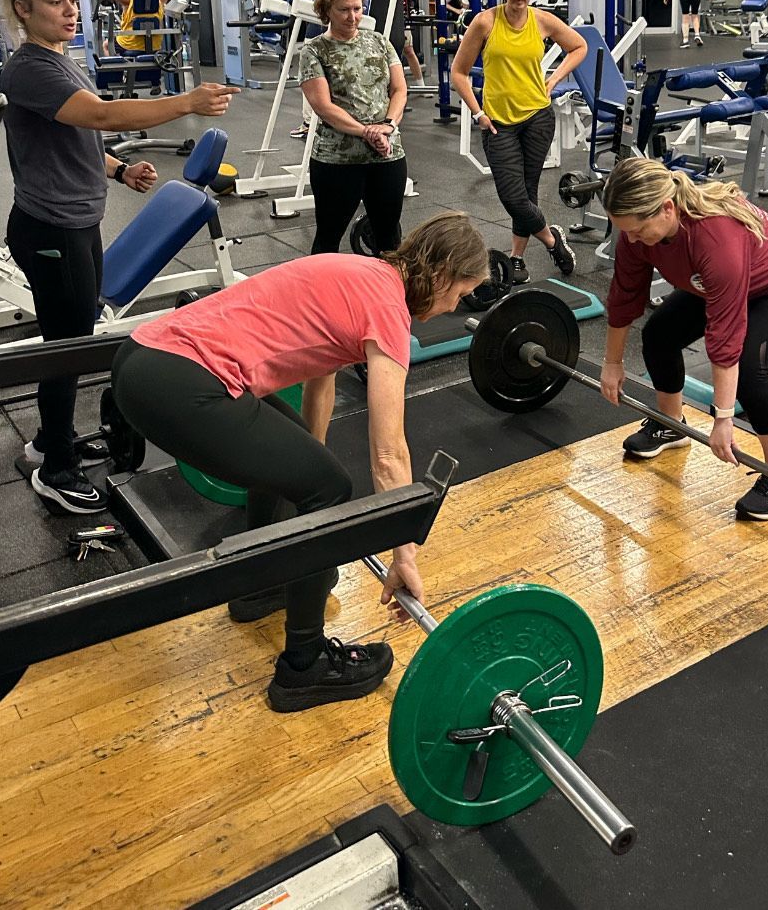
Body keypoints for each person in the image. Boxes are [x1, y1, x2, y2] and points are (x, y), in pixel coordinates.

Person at [110, 211, 491, 712]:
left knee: (302, 466)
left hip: (142, 358)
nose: (451, 307)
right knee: (331, 489)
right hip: (181, 383)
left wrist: (306, 465)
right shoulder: (388, 310)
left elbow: (320, 379)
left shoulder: (358, 274)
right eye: (459, 295)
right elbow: (388, 454)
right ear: (441, 274)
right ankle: (304, 666)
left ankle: (261, 582)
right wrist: (405, 557)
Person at [0, 0, 237, 514]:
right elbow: (103, 115)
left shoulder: (60, 60)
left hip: (76, 220)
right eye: (55, 1)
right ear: (22, 9)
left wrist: (118, 169)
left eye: (72, 0)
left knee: (72, 337)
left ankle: (44, 441)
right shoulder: (30, 67)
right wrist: (189, 102)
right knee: (67, 349)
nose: (70, 9)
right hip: (49, 226)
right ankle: (54, 467)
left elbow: (78, 135)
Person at [599, 157, 768, 522]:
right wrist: (612, 363)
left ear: (666, 208)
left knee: (747, 365)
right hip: (731, 279)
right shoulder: (638, 233)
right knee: (659, 333)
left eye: (637, 229)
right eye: (624, 230)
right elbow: (625, 295)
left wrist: (722, 419)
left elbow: (724, 337)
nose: (630, 239)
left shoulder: (715, 238)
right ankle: (670, 424)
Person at [451, 0, 587, 284]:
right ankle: (552, 240)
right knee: (512, 196)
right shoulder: (485, 22)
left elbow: (579, 46)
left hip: (538, 118)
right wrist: (478, 112)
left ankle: (517, 259)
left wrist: (554, 81)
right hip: (497, 122)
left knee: (527, 191)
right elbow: (459, 72)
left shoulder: (542, 21)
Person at [297, 0, 408, 255]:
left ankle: (388, 298)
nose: (352, 16)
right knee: (328, 240)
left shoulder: (380, 42)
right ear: (326, 10)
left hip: (386, 154)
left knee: (390, 241)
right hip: (337, 159)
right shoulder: (314, 50)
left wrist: (388, 126)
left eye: (357, 9)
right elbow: (323, 107)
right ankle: (322, 298)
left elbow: (399, 90)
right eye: (344, 10)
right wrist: (367, 132)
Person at [291, 0, 348, 140]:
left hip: (315, 31)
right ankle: (337, 122)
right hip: (338, 33)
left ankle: (309, 123)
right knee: (337, 78)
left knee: (311, 79)